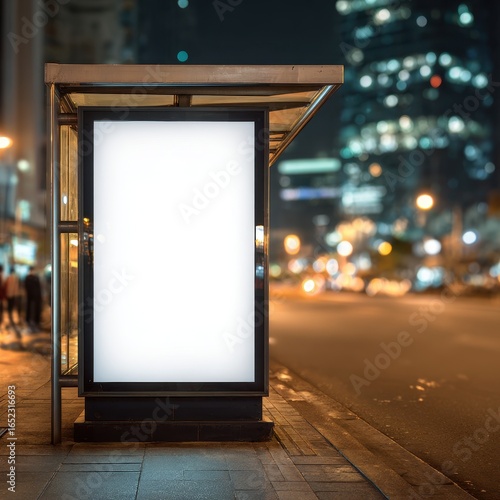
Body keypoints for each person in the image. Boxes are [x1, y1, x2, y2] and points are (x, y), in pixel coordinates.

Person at [4, 266, 23, 345]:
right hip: (13, 295)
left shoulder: (8, 278)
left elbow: (6, 287)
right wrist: (15, 294)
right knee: (12, 306)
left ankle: (10, 315)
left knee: (9, 307)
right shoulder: (15, 278)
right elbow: (16, 287)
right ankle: (11, 316)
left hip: (9, 294)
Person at [25, 266, 42, 332]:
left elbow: (38, 287)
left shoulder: (31, 278)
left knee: (32, 309)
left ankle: (32, 321)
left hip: (33, 297)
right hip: (33, 296)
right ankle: (33, 321)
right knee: (32, 309)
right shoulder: (33, 278)